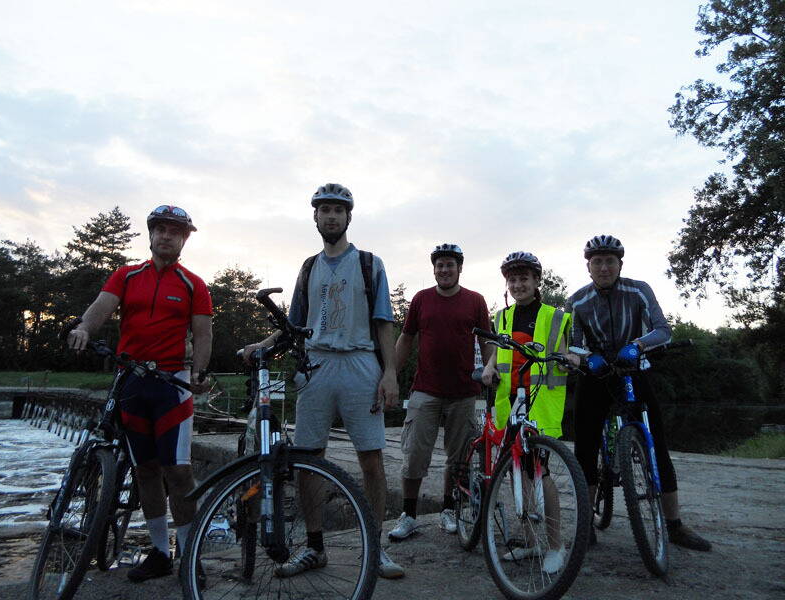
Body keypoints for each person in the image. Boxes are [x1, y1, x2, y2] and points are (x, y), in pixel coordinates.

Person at [242, 183, 404, 579]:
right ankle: (315, 547)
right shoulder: (309, 267)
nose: (331, 216)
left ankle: (375, 545)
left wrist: (390, 373)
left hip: (360, 362)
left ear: (349, 217)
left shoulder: (370, 263)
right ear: (315, 217)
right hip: (316, 365)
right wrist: (263, 345)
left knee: (371, 458)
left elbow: (384, 322)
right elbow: (294, 324)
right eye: (324, 210)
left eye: (338, 210)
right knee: (308, 458)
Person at [67, 205, 213, 581]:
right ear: (150, 235)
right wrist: (83, 328)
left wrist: (199, 371)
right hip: (131, 381)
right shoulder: (127, 275)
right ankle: (161, 553)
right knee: (146, 470)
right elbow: (101, 308)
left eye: (174, 231)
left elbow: (203, 333)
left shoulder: (193, 284)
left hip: (171, 383)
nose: (166, 236)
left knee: (178, 472)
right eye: (160, 229)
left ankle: (189, 555)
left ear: (184, 240)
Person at [565, 234, 711, 551]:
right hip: (597, 374)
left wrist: (637, 345)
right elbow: (571, 345)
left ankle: (674, 525)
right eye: (597, 262)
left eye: (610, 261)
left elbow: (663, 330)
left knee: (656, 444)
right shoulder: (576, 301)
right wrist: (589, 358)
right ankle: (584, 524)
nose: (604, 267)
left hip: (633, 369)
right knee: (585, 449)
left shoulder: (639, 290)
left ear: (620, 264)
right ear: (588, 267)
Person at [386, 244, 493, 540]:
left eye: (450, 265)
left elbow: (486, 342)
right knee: (414, 454)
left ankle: (448, 509)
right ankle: (408, 515)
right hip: (425, 389)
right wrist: (390, 374)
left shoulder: (475, 300)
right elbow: (406, 339)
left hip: (464, 391)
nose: (445, 270)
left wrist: (490, 369)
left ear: (460, 269)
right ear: (434, 270)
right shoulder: (421, 299)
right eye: (440, 265)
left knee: (458, 458)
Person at [480, 251, 573, 573]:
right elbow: (498, 351)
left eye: (524, 279)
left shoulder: (554, 316)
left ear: (536, 282)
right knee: (516, 471)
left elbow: (564, 353)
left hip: (540, 404)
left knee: (540, 473)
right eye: (513, 279)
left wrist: (569, 360)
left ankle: (556, 546)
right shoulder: (502, 317)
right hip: (510, 402)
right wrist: (489, 368)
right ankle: (531, 542)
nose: (518, 284)